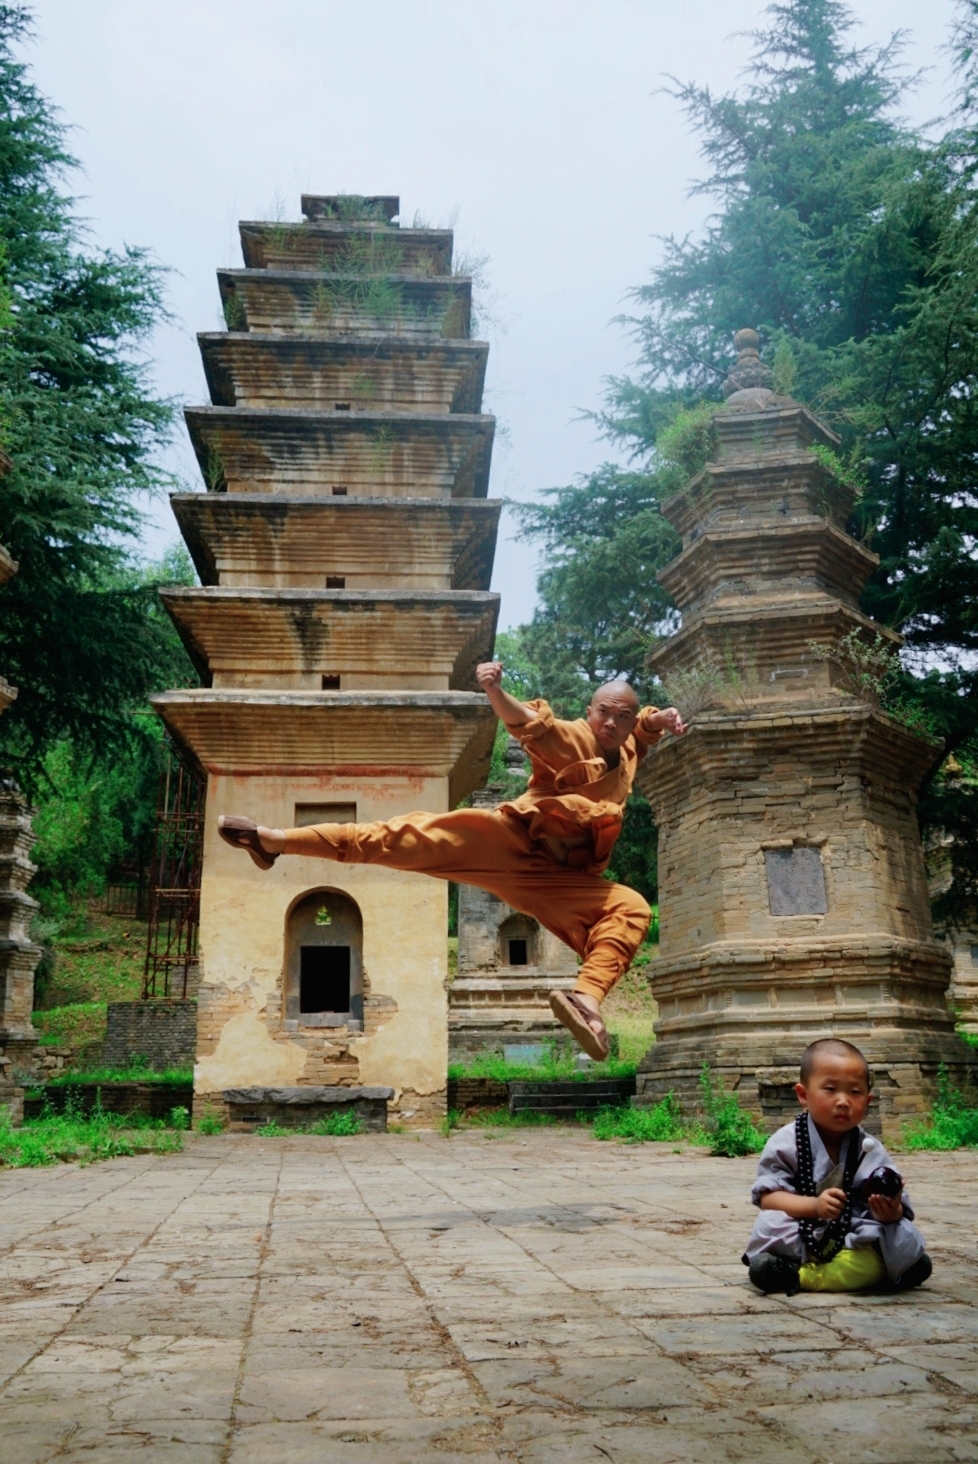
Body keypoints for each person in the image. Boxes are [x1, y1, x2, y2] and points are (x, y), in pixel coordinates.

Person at [217, 661, 687, 1058]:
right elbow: (525, 722)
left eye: (621, 717)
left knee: (632, 907)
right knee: (401, 837)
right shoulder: (571, 739)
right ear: (590, 712)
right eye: (604, 713)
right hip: (509, 845)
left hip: (560, 878)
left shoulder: (626, 751)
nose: (611, 723)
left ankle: (586, 1000)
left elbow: (640, 735)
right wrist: (494, 689)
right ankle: (275, 841)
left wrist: (656, 721)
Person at [744, 1038, 932, 1296]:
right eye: (830, 1089)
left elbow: (896, 1211)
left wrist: (889, 1210)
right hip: (805, 1231)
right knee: (770, 1224)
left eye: (854, 1092)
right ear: (803, 1094)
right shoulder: (785, 1142)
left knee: (902, 1233)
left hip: (855, 1233)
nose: (843, 1101)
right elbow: (768, 1198)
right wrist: (815, 1206)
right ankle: (881, 1272)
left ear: (867, 1101)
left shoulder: (869, 1147)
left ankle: (798, 1276)